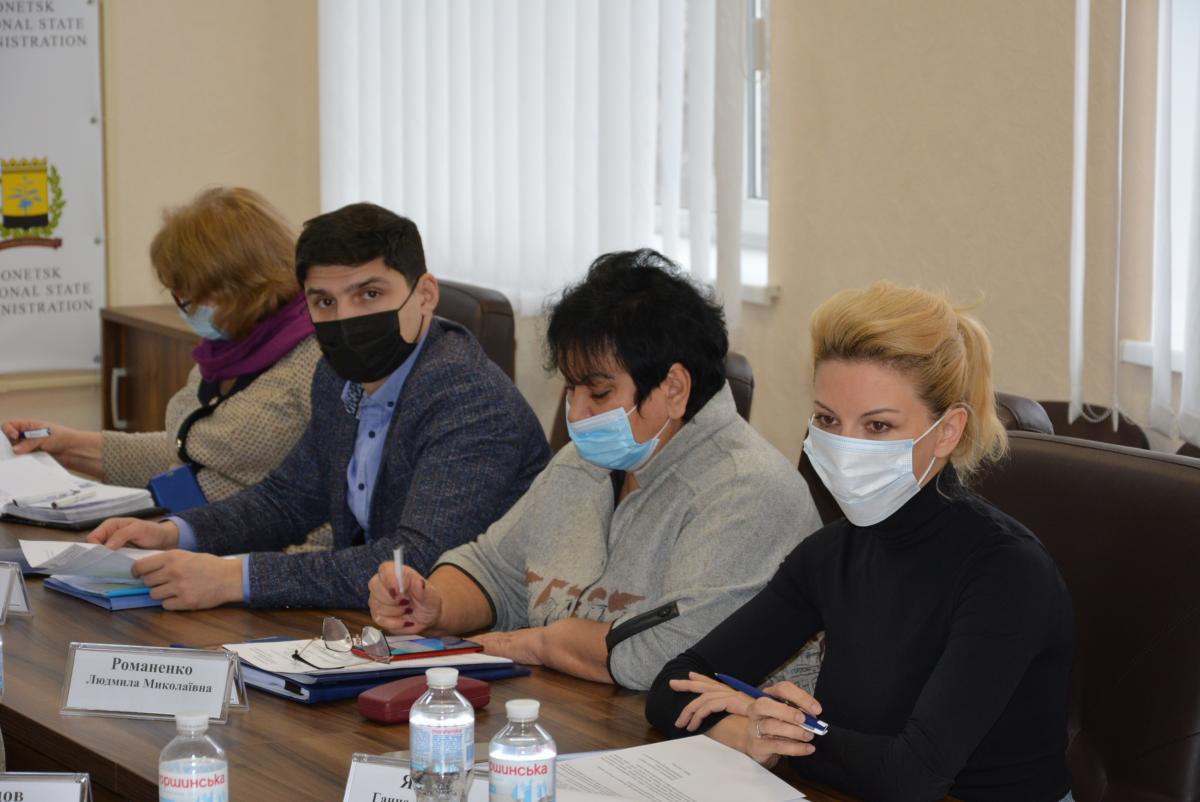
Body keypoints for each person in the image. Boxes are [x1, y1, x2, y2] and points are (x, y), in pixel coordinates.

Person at [645, 281, 1075, 802]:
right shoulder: (830, 553)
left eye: (877, 426)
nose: (845, 445)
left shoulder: (1007, 571)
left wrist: (776, 731)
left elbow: (911, 776)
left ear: (946, 431)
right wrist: (742, 727)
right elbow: (673, 686)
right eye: (828, 419)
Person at [366, 249, 823, 691]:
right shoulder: (584, 463)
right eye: (572, 389)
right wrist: (433, 605)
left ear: (674, 388)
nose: (577, 414)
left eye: (599, 393)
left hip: (713, 737)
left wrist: (540, 643)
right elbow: (494, 568)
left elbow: (671, 657)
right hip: (579, 714)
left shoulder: (750, 491)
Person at [87, 203, 551, 610]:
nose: (345, 319)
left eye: (370, 295)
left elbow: (414, 560)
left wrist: (234, 578)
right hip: (375, 626)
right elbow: (288, 500)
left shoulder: (468, 398)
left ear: (425, 295)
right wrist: (175, 533)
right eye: (325, 302)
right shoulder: (336, 376)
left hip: (478, 643)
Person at [3, 187, 320, 507]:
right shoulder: (221, 350)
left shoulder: (314, 360)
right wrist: (67, 446)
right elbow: (185, 452)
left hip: (250, 537)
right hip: (188, 528)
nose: (187, 306)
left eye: (197, 294)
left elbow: (326, 503)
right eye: (180, 294)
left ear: (248, 283)